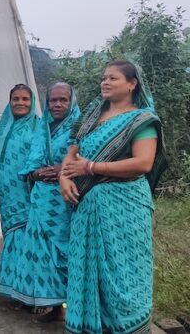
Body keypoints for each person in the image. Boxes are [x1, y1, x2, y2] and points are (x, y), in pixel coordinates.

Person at [60, 61, 166, 334]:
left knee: (124, 271)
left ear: (132, 84)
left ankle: (127, 327)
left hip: (125, 207)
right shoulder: (91, 116)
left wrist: (92, 168)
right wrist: (63, 177)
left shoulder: (141, 120)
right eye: (103, 78)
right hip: (88, 206)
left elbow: (143, 163)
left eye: (113, 78)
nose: (105, 82)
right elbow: (72, 154)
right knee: (87, 270)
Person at [10, 83, 80, 322]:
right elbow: (32, 161)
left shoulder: (80, 126)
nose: (57, 105)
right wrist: (36, 173)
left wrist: (63, 168)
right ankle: (51, 305)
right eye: (53, 100)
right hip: (41, 197)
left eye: (62, 100)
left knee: (64, 249)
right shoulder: (43, 127)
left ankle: (70, 303)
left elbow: (87, 155)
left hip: (66, 199)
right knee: (42, 251)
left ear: (71, 101)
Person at [0, 84, 39, 302]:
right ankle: (11, 290)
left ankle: (27, 292)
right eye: (16, 99)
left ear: (32, 102)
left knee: (28, 239)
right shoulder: (2, 126)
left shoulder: (39, 127)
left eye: (25, 99)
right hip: (7, 194)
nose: (20, 103)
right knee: (11, 236)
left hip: (29, 193)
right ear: (9, 101)